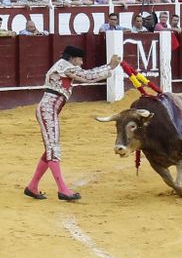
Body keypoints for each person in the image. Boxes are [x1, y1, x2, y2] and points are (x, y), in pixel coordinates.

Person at [24, 44, 120, 202]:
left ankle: (32, 186)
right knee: (53, 148)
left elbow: (86, 75)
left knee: (50, 148)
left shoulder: (62, 66)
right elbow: (88, 76)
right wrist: (110, 66)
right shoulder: (65, 66)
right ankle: (62, 189)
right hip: (48, 110)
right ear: (73, 58)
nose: (81, 63)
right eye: (80, 59)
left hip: (49, 110)